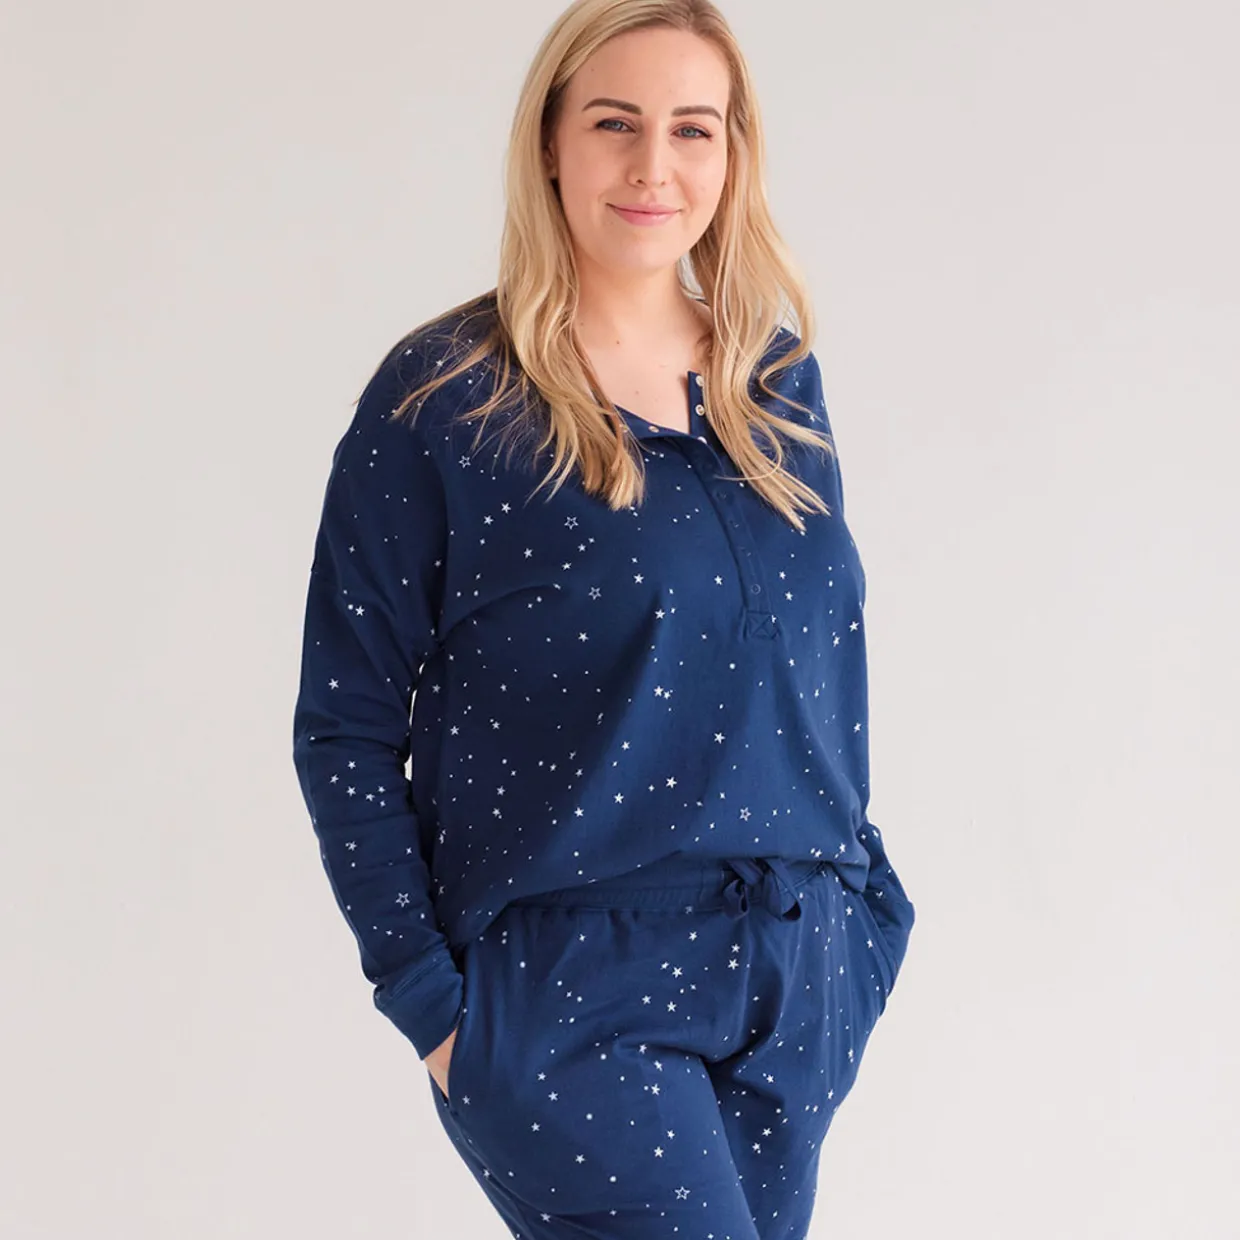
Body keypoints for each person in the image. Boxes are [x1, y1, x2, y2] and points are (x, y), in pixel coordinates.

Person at [291, 1, 916, 1235]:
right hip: (571, 994)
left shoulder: (773, 380)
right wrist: (432, 1005)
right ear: (550, 143)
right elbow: (346, 724)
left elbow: (813, 661)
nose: (652, 167)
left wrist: (861, 911)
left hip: (793, 972)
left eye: (691, 129)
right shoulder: (448, 399)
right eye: (615, 124)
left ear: (732, 152)